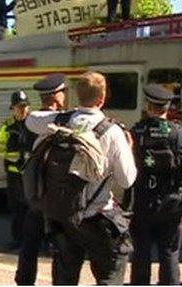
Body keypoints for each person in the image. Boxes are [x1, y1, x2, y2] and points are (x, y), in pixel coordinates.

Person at [25, 71, 137, 285]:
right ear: (102, 98)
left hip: (64, 216)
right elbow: (127, 180)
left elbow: (30, 120)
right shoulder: (112, 132)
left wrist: (62, 114)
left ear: (77, 96)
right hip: (98, 218)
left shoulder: (60, 121)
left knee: (65, 278)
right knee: (110, 274)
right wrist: (128, 149)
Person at [130, 84, 182, 285]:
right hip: (171, 202)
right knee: (169, 252)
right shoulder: (179, 134)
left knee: (141, 252)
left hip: (142, 201)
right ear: (167, 107)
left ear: (148, 106)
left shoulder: (137, 131)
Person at [15, 74, 67, 285]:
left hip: (35, 193)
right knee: (60, 246)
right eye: (63, 92)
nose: (65, 95)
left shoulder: (31, 121)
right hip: (55, 194)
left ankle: (24, 281)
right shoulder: (55, 121)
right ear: (55, 96)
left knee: (30, 243)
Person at [0, 90, 35, 249]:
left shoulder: (34, 126)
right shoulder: (7, 127)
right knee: (16, 209)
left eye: (25, 106)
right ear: (13, 108)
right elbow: (1, 149)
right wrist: (15, 158)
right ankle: (17, 239)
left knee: (31, 209)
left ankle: (32, 240)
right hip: (13, 174)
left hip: (29, 175)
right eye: (20, 106)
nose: (23, 109)